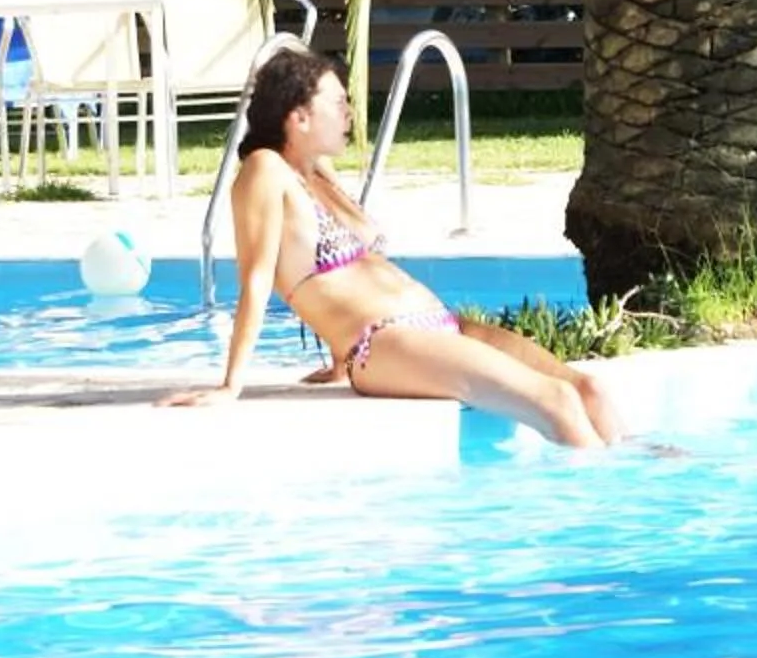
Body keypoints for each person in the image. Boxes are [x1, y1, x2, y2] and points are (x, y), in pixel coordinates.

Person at [163, 47, 623, 447]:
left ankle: (638, 474)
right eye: (338, 103)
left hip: (439, 326)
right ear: (299, 117)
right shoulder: (264, 169)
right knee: (556, 400)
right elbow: (260, 277)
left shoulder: (316, 174)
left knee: (589, 390)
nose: (349, 113)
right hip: (384, 344)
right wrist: (231, 384)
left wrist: (334, 361)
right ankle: (604, 506)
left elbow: (331, 271)